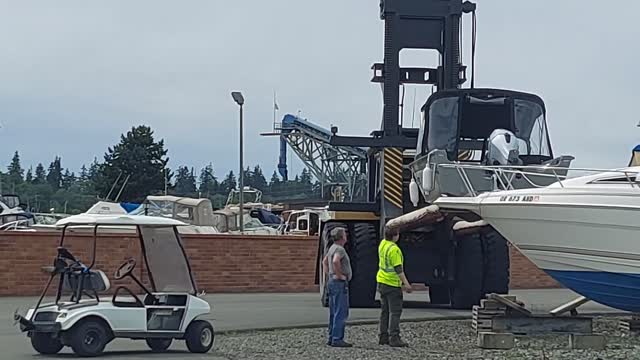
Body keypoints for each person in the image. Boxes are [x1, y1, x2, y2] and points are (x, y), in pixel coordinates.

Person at [376, 225, 412, 347]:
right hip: (392, 284)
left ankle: (383, 336)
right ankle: (394, 337)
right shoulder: (394, 250)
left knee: (384, 311)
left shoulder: (383, 244)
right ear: (395, 236)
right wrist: (406, 284)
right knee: (395, 312)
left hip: (382, 282)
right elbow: (398, 270)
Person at [322, 227, 352, 347]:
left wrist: (328, 274)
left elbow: (324, 261)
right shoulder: (340, 249)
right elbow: (335, 261)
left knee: (333, 311)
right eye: (344, 234)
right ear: (342, 237)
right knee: (341, 311)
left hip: (331, 281)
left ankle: (331, 336)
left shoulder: (331, 248)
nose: (346, 236)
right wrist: (339, 275)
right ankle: (337, 338)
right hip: (339, 283)